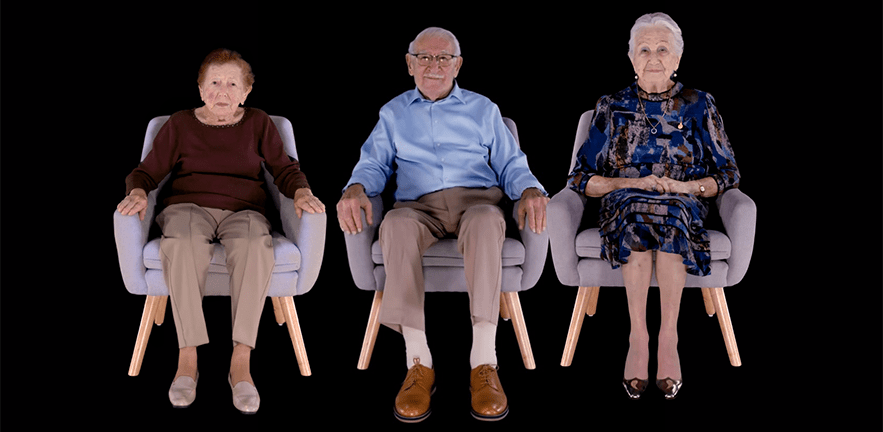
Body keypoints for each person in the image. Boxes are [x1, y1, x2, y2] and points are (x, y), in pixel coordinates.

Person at [337, 27, 548, 422]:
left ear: (458, 65)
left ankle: (484, 362)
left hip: (477, 203)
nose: (433, 65)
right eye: (425, 57)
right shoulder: (393, 113)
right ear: (409, 64)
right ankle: (418, 363)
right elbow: (373, 163)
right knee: (395, 224)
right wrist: (355, 187)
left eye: (443, 58)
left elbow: (511, 164)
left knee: (486, 221)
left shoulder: (483, 109)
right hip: (419, 208)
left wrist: (531, 190)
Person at [116, 48, 326, 413]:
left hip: (244, 210)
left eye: (232, 83)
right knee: (181, 242)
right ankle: (187, 360)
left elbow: (285, 170)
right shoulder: (180, 124)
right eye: (214, 82)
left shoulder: (259, 122)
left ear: (246, 91)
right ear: (200, 89)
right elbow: (145, 172)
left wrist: (302, 192)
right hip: (187, 207)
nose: (222, 91)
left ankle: (240, 363)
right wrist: (136, 192)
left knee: (254, 245)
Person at [567, 12, 740, 400]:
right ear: (632, 59)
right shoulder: (612, 106)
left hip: (684, 200)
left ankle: (668, 337)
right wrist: (631, 183)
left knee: (673, 211)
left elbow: (729, 173)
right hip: (624, 200)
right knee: (635, 210)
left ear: (677, 57)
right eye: (644, 50)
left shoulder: (700, 104)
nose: (653, 57)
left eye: (663, 49)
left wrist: (685, 187)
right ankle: (638, 336)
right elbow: (580, 178)